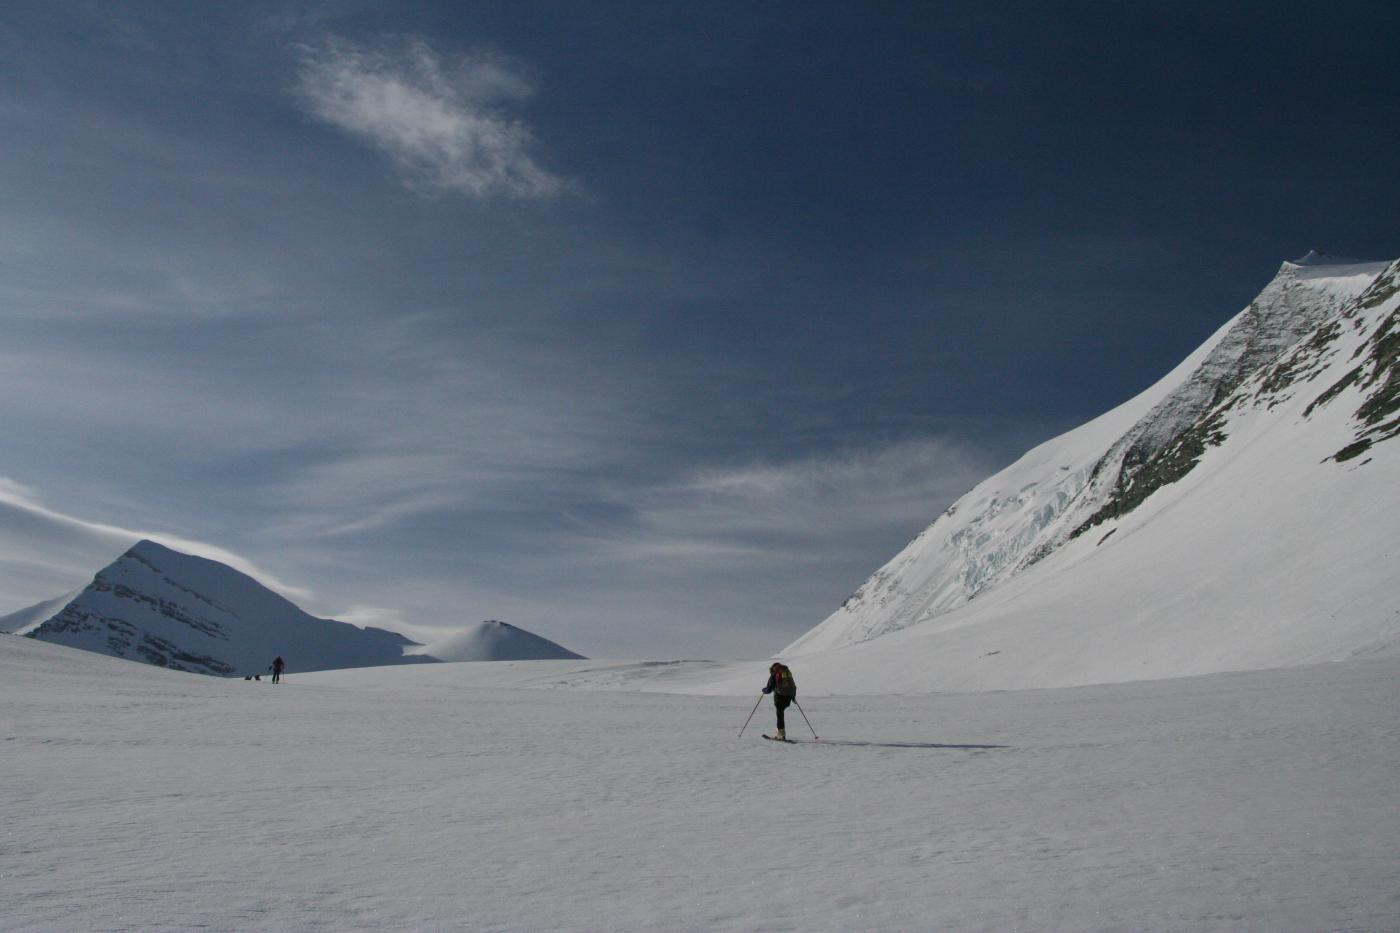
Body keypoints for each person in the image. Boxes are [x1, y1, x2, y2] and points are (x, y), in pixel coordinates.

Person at [761, 662, 797, 740]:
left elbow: (769, 689)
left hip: (780, 697)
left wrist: (764, 690)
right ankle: (779, 733)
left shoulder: (775, 673)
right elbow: (792, 685)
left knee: (780, 715)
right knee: (780, 714)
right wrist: (793, 697)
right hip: (789, 697)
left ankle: (781, 734)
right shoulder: (786, 672)